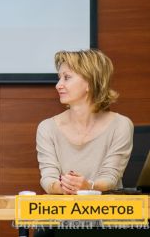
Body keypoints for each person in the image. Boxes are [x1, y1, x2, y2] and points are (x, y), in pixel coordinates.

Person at [36, 49, 133, 195]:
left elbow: (110, 177)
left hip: (107, 207)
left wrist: (89, 186)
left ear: (90, 83)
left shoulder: (121, 125)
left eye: (67, 77)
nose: (58, 85)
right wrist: (65, 187)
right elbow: (48, 179)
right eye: (59, 78)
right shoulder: (47, 128)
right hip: (63, 207)